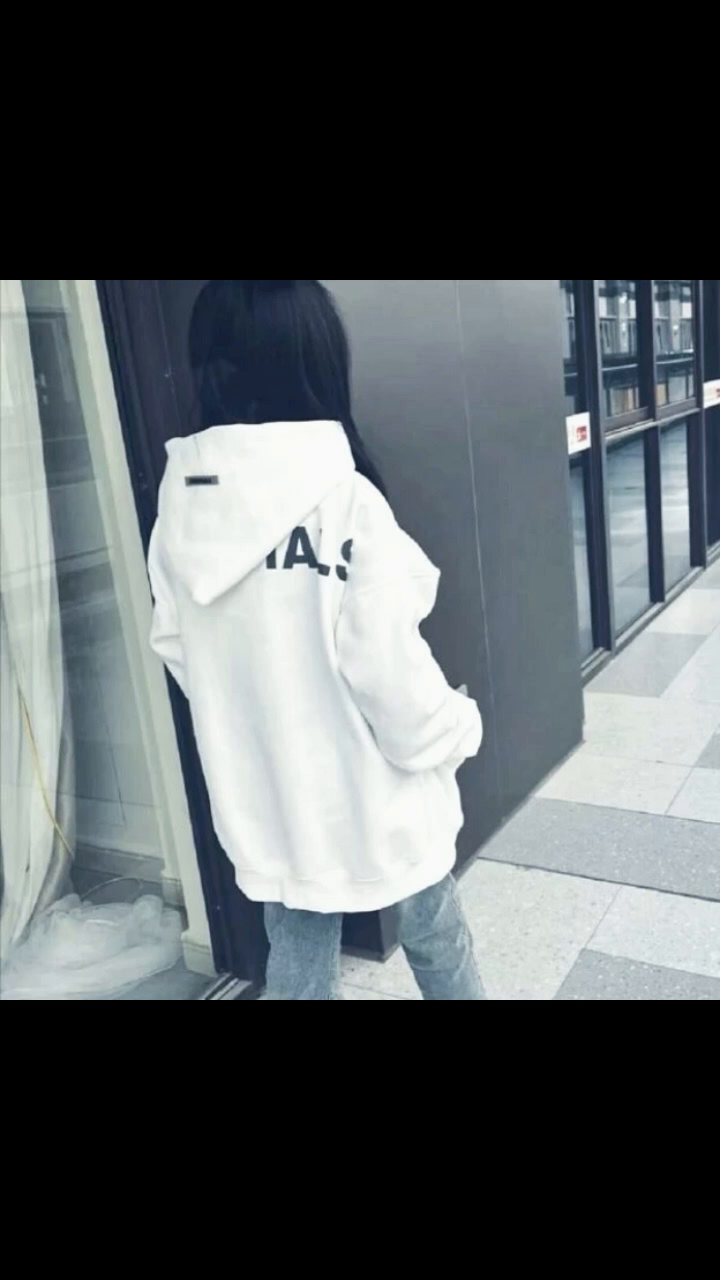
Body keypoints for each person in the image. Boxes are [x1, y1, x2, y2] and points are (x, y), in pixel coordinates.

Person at [147, 279, 485, 1000]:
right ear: (314, 359)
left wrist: (253, 724)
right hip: (378, 793)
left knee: (298, 957)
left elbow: (176, 644)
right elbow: (391, 675)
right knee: (436, 933)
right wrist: (456, 727)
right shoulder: (346, 500)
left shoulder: (182, 504)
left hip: (271, 799)